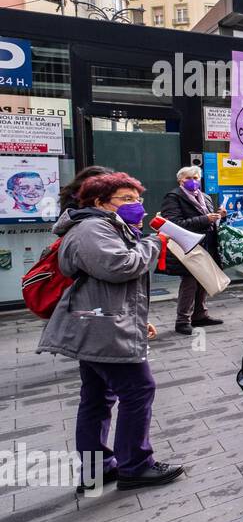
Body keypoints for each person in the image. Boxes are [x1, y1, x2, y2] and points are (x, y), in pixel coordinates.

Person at [37, 171, 183, 492]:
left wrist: (137, 318)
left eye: (137, 198)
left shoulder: (105, 226)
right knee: (138, 389)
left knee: (97, 397)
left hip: (100, 321)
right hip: (102, 327)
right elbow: (120, 267)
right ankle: (135, 465)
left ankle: (97, 470)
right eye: (126, 199)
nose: (136, 205)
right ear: (101, 202)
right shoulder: (93, 227)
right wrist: (153, 244)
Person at [158, 165, 226, 336]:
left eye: (196, 178)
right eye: (189, 178)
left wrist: (219, 217)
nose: (193, 181)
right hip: (187, 247)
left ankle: (200, 315)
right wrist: (205, 219)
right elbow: (172, 224)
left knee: (203, 280)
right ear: (180, 180)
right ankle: (182, 321)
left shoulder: (205, 197)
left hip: (206, 244)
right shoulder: (174, 197)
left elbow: (210, 222)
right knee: (189, 283)